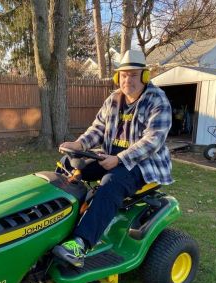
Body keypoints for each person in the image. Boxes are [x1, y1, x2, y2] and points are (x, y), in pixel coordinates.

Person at [53, 49, 173, 267]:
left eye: (134, 75)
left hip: (144, 164)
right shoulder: (113, 99)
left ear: (145, 76)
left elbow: (153, 140)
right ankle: (57, 223)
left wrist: (119, 160)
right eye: (124, 75)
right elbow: (97, 128)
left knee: (112, 182)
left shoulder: (158, 101)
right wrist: (79, 145)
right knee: (68, 164)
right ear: (118, 77)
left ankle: (80, 244)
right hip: (110, 156)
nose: (128, 80)